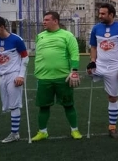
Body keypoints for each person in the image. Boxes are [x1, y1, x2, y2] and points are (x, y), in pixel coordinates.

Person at [30, 11, 82, 141]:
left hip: (63, 77)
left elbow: (74, 54)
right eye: (44, 20)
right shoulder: (40, 36)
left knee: (68, 105)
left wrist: (74, 71)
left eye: (47, 20)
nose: (44, 22)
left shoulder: (67, 35)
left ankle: (74, 130)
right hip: (43, 78)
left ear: (56, 21)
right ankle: (42, 132)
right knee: (43, 106)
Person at [87, 3, 118, 138]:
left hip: (114, 67)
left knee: (112, 97)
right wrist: (92, 62)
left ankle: (112, 127)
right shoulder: (96, 28)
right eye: (99, 13)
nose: (100, 16)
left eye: (103, 14)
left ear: (111, 15)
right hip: (99, 65)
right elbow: (93, 47)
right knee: (85, 73)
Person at [0, 17, 29, 143]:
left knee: (14, 105)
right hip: (2, 76)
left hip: (14, 74)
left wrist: (21, 75)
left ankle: (14, 133)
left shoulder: (16, 39)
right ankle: (14, 132)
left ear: (2, 27)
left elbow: (25, 58)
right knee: (7, 106)